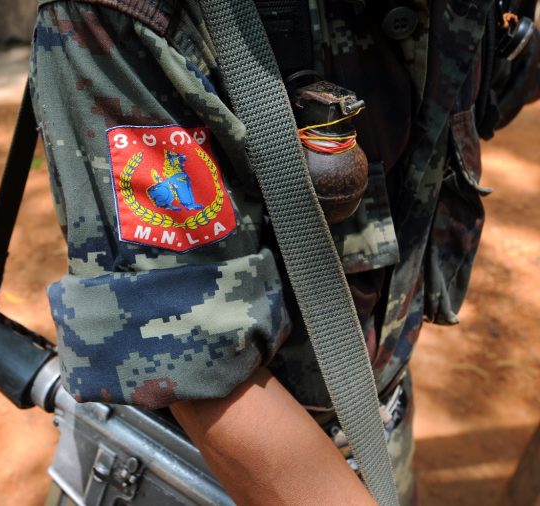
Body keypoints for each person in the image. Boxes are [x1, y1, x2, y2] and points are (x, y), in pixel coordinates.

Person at [29, 0, 540, 504]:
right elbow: (191, 364)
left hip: (379, 423)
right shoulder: (130, 13)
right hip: (198, 467)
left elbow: (487, 88)